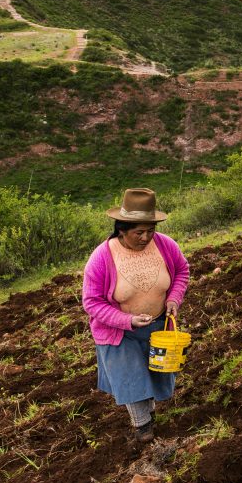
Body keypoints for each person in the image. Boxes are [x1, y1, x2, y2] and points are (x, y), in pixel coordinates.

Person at [82, 188, 189, 443]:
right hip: (121, 333)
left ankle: (149, 415)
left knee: (154, 374)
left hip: (158, 326)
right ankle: (143, 429)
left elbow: (182, 271)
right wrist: (126, 320)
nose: (145, 238)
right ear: (122, 229)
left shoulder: (165, 245)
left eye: (150, 231)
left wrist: (174, 299)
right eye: (138, 233)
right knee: (132, 379)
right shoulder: (102, 257)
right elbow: (92, 302)